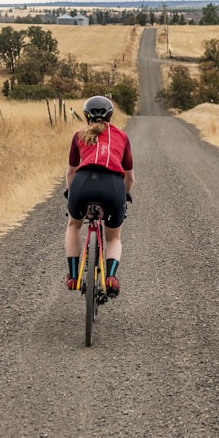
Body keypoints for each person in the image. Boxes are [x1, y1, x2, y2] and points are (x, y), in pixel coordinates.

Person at [65, 95, 134, 297]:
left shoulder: (79, 135)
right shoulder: (122, 136)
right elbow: (129, 177)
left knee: (73, 225)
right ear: (110, 116)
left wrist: (71, 193)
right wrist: (126, 193)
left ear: (86, 116)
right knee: (113, 238)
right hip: (113, 186)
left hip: (82, 183)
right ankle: (111, 276)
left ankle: (74, 276)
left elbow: (71, 172)